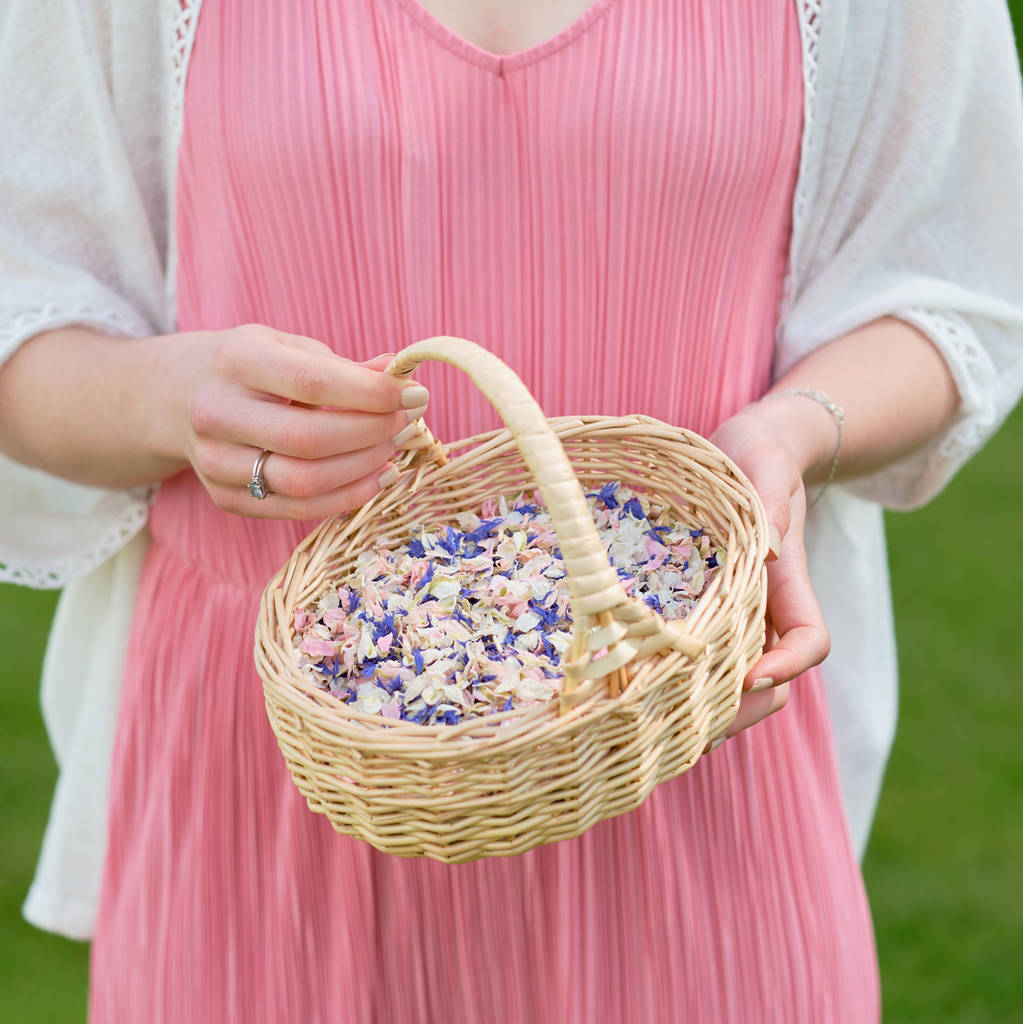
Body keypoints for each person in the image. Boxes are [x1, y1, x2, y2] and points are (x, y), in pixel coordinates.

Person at [2, 0, 1021, 1020]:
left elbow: (956, 284)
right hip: (273, 778)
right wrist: (167, 398)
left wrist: (792, 431)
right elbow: (24, 314)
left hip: (679, 731)